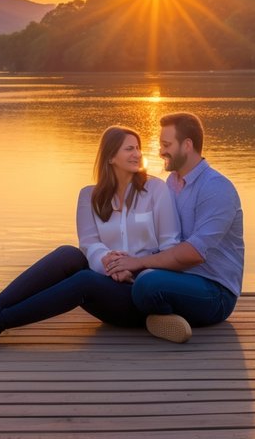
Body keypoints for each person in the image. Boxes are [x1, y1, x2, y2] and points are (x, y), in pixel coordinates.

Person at [0, 125, 181, 345]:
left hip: (140, 288)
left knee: (84, 280)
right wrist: (110, 264)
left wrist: (134, 267)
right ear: (110, 157)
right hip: (107, 289)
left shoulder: (155, 190)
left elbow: (170, 245)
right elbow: (89, 245)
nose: (137, 154)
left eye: (138, 148)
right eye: (129, 148)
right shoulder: (89, 196)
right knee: (68, 253)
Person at [103, 112, 244, 344]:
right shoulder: (171, 183)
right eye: (160, 144)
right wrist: (124, 261)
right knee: (118, 277)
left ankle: (154, 312)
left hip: (215, 293)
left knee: (147, 283)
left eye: (166, 145)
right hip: (177, 277)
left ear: (187, 145)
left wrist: (139, 264)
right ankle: (162, 318)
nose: (160, 151)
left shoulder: (217, 189)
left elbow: (194, 253)